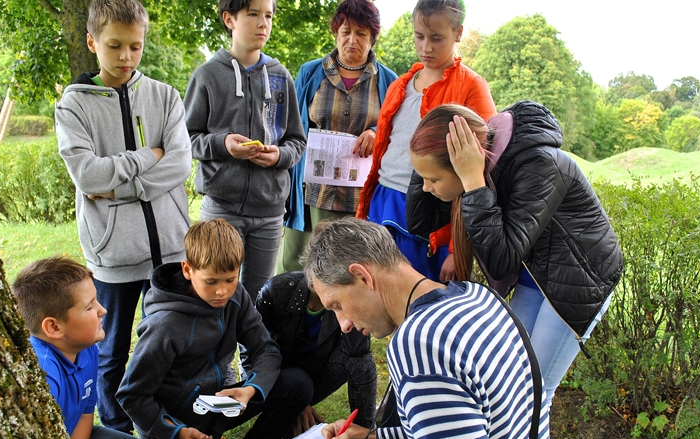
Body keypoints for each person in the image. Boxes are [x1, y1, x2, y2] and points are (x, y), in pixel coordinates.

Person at [269, 218, 551, 439]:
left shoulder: (420, 345)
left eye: (337, 305)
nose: (343, 324)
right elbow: (471, 436)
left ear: (362, 276)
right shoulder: (479, 299)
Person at [406, 101, 623, 406]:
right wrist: (428, 158)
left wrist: (472, 182)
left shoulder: (538, 164)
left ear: (462, 163)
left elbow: (499, 261)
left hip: (578, 278)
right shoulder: (490, 163)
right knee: (511, 375)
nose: (427, 188)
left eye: (434, 179)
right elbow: (421, 223)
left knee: (535, 390)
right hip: (537, 271)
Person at [116, 219, 312, 439]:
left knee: (297, 384)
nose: (222, 291)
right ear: (187, 269)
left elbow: (267, 350)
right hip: (177, 428)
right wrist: (176, 433)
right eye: (211, 282)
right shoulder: (163, 327)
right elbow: (131, 396)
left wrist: (250, 389)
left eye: (231, 280)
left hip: (218, 407)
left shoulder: (236, 298)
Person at [55, 0, 193, 434]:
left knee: (168, 342)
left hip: (170, 246)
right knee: (111, 346)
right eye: (114, 46)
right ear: (92, 41)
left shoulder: (165, 96)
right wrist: (145, 158)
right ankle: (116, 429)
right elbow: (86, 173)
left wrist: (117, 186)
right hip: (112, 253)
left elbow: (180, 165)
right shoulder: (73, 106)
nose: (125, 58)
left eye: (135, 47)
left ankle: (167, 420)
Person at [355, 0, 496, 283]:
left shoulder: (471, 86)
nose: (426, 47)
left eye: (437, 38)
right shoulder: (399, 85)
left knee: (424, 302)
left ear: (458, 33)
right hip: (383, 203)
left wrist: (458, 248)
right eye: (419, 36)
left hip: (432, 214)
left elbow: (481, 172)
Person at [184, 0, 306, 302]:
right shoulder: (207, 76)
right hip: (222, 210)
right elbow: (186, 139)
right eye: (253, 14)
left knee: (258, 302)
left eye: (268, 15)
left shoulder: (281, 76)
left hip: (269, 212)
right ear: (229, 19)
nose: (263, 23)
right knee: (218, 297)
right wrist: (222, 145)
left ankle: (254, 352)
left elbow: (296, 141)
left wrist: (279, 156)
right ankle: (219, 352)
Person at [11, 256, 151, 439]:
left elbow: (86, 411)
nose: (102, 310)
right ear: (53, 328)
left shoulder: (86, 348)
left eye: (96, 300)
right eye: (89, 307)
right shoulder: (43, 377)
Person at [276, 0, 398, 273]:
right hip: (312, 193)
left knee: (347, 272)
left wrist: (375, 132)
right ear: (336, 33)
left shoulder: (389, 81)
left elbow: (397, 130)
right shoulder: (310, 73)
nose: (352, 40)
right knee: (297, 268)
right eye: (346, 31)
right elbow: (291, 128)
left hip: (359, 197)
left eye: (361, 33)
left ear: (373, 38)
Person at [256, 271, 377, 434]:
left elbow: (356, 351)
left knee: (361, 361)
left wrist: (352, 307)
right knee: (286, 427)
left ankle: (365, 433)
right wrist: (297, 398)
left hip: (314, 372)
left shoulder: (348, 296)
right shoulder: (278, 291)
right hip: (275, 377)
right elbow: (255, 353)